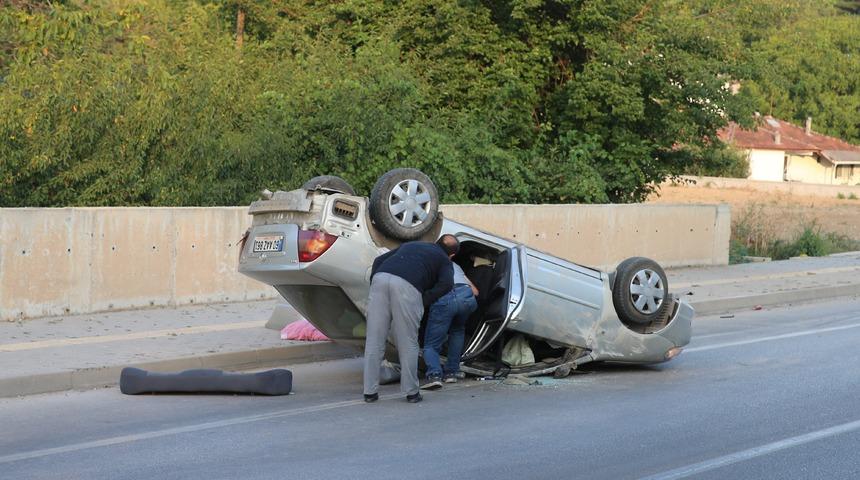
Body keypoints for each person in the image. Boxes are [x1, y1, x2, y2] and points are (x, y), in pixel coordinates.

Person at [362, 234, 459, 404]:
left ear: (436, 242)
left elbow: (378, 261)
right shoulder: (444, 260)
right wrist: (424, 300)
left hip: (381, 278)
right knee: (408, 342)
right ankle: (411, 392)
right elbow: (447, 284)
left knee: (374, 340)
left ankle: (369, 392)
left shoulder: (413, 245)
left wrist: (375, 283)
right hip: (408, 287)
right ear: (452, 255)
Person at [421, 257, 478, 390]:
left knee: (431, 344)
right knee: (457, 330)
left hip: (445, 298)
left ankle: (434, 375)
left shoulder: (427, 264)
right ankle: (451, 372)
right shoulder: (455, 265)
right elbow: (475, 291)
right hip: (466, 297)